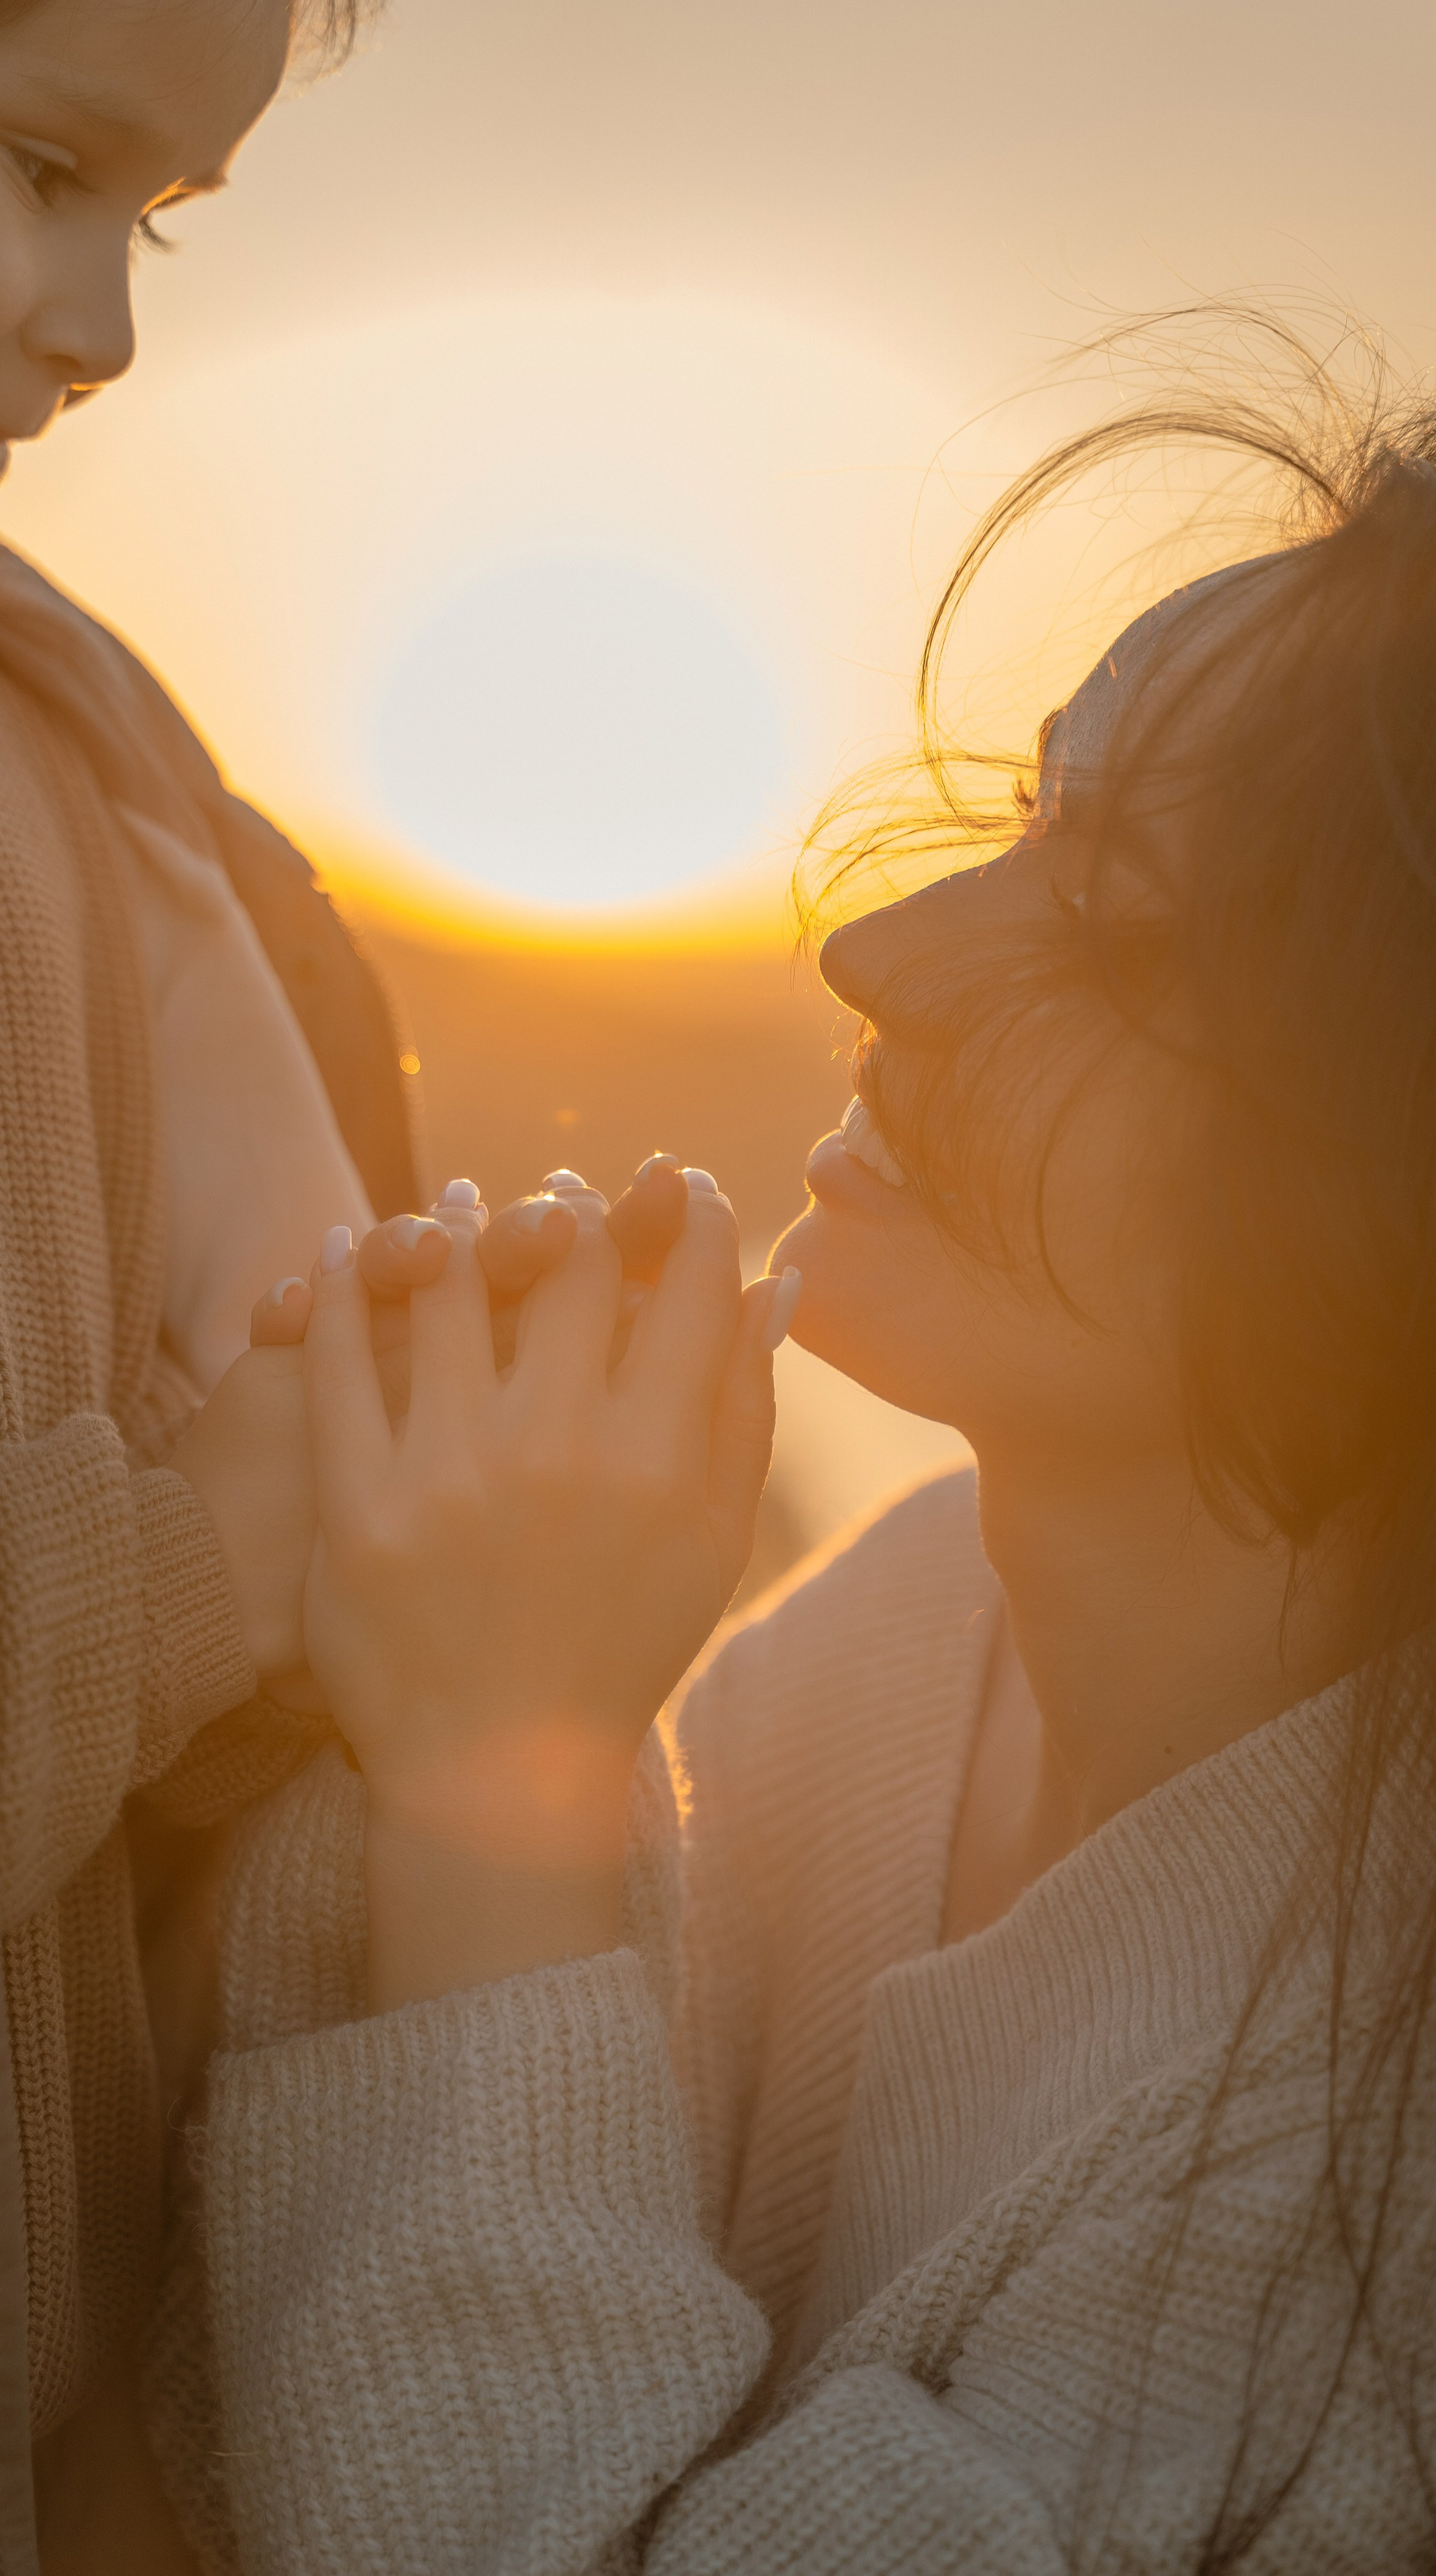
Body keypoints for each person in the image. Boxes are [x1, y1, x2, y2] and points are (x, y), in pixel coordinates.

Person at [185, 349, 1436, 2569]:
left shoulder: (1379, 2181)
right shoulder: (899, 1630)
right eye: (1030, 821)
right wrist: (370, 1606)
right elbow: (305, 2363)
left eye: (1124, 932)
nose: (877, 951)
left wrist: (493, 1769)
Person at [0, 1, 588, 2562]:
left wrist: (444, 1564)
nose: (98, 330)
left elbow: (195, 1819)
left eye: (156, 224)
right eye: (39, 162)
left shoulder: (71, 742)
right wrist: (206, 1543)